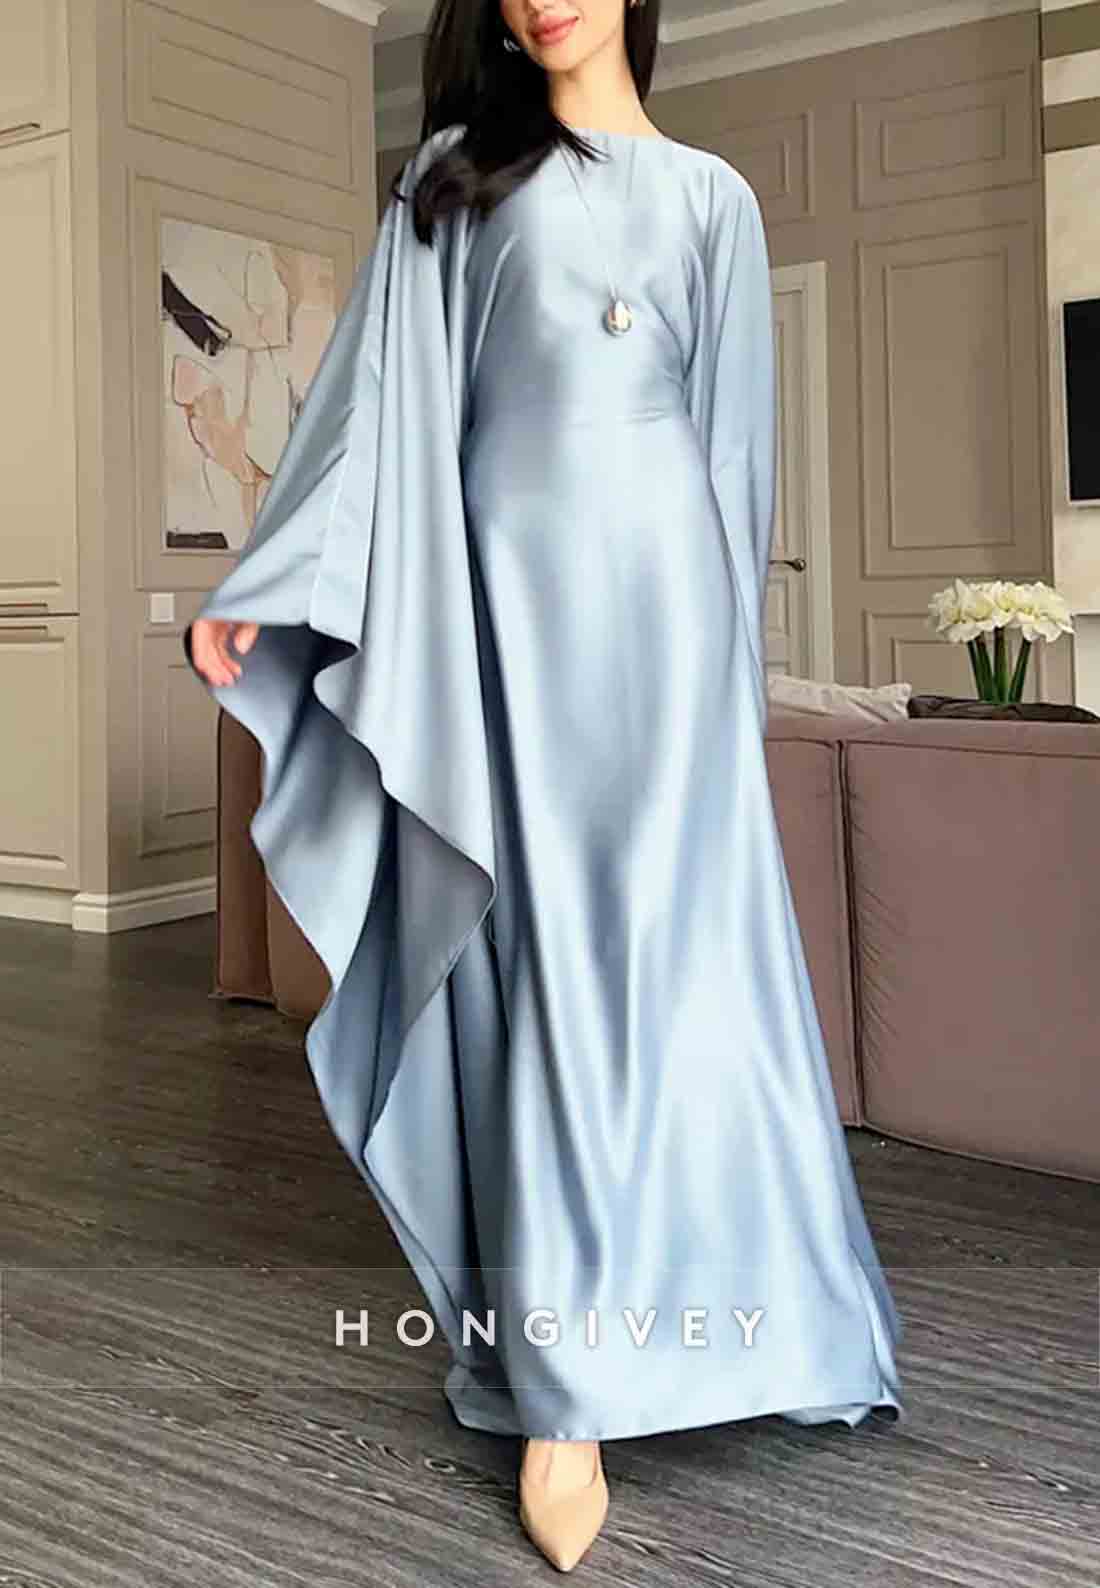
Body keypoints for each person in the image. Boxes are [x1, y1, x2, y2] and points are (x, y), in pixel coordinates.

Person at [185, 0, 905, 1571]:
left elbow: (735, 459)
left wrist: (726, 686)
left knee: (680, 963)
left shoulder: (715, 199)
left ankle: (768, 1315)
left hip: (671, 615)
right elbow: (367, 415)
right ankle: (566, 1394)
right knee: (547, 959)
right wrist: (273, 582)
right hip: (501, 616)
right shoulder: (454, 178)